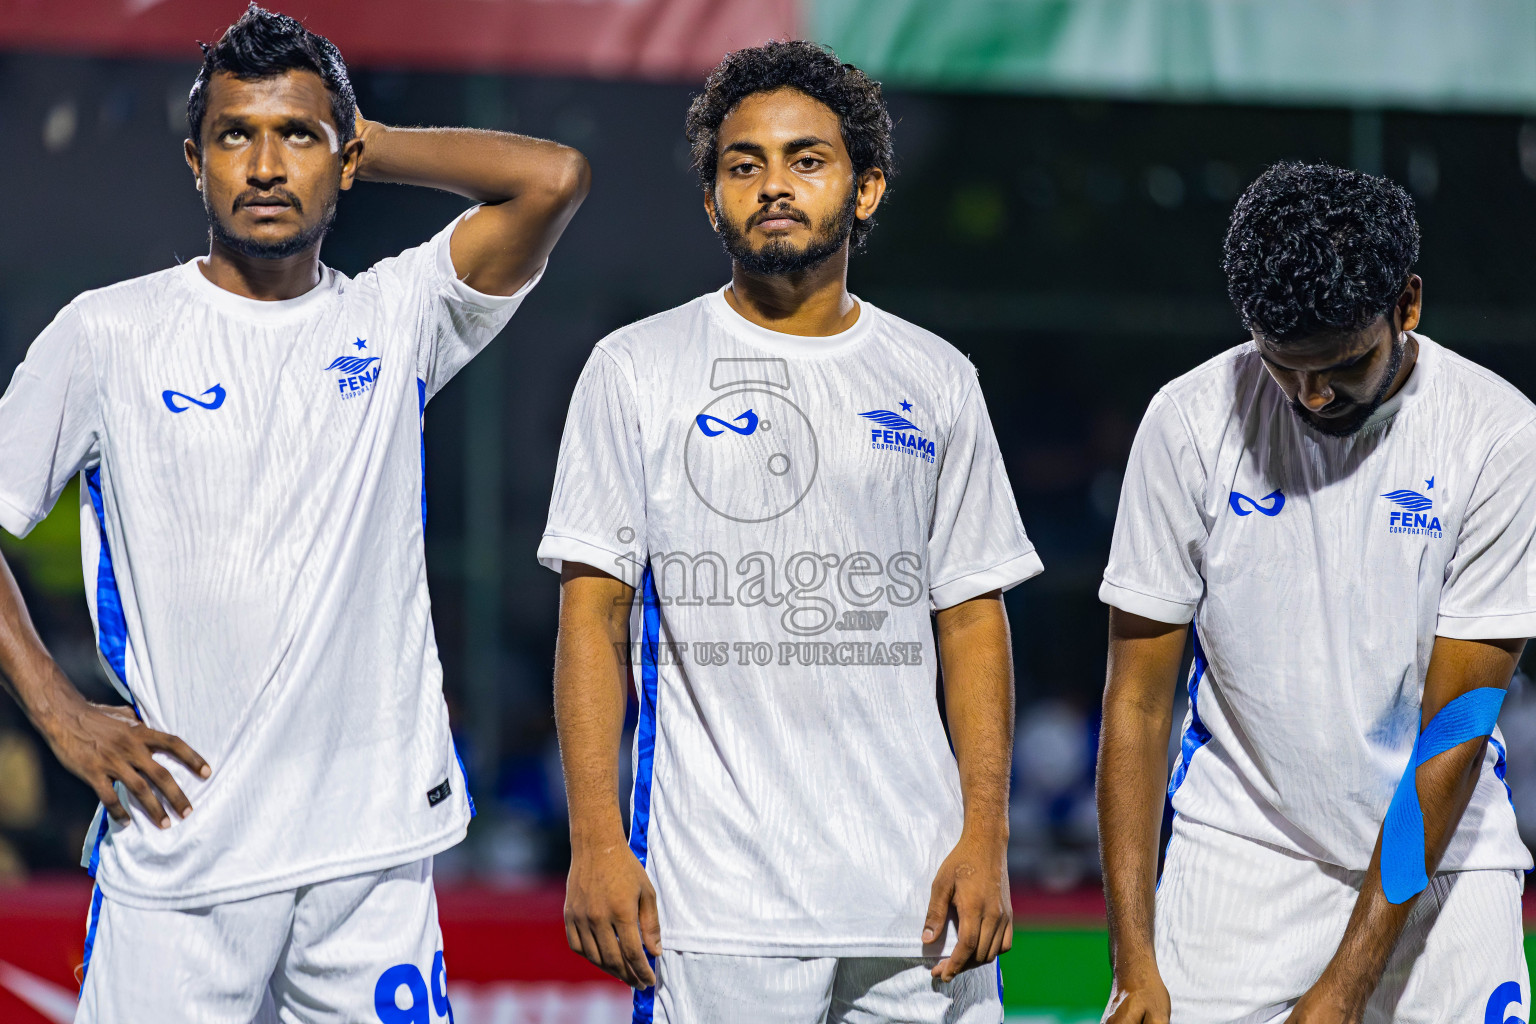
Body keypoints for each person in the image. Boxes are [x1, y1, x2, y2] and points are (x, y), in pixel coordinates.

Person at [0, 6, 587, 1021]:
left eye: (297, 136)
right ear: (195, 158)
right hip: (181, 851)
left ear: (345, 157)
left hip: (370, 858)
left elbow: (553, 179)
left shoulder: (397, 317)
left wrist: (358, 134)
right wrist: (61, 717)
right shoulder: (109, 333)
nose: (265, 165)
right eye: (236, 135)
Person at [539, 40, 1040, 1024]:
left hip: (919, 901)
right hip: (717, 904)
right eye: (744, 164)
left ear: (866, 190)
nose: (773, 185)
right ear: (713, 196)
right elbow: (592, 620)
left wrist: (986, 836)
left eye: (806, 160)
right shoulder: (635, 368)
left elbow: (973, 623)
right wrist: (596, 837)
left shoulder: (935, 377)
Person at [1097, 161, 1534, 1024]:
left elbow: (1455, 729)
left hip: (1444, 849)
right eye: (1283, 365)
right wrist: (1133, 964)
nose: (1312, 393)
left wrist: (1345, 987)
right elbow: (1139, 704)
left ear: (1406, 305)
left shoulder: (1499, 437)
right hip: (1243, 846)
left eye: (1342, 364)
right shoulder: (1186, 423)